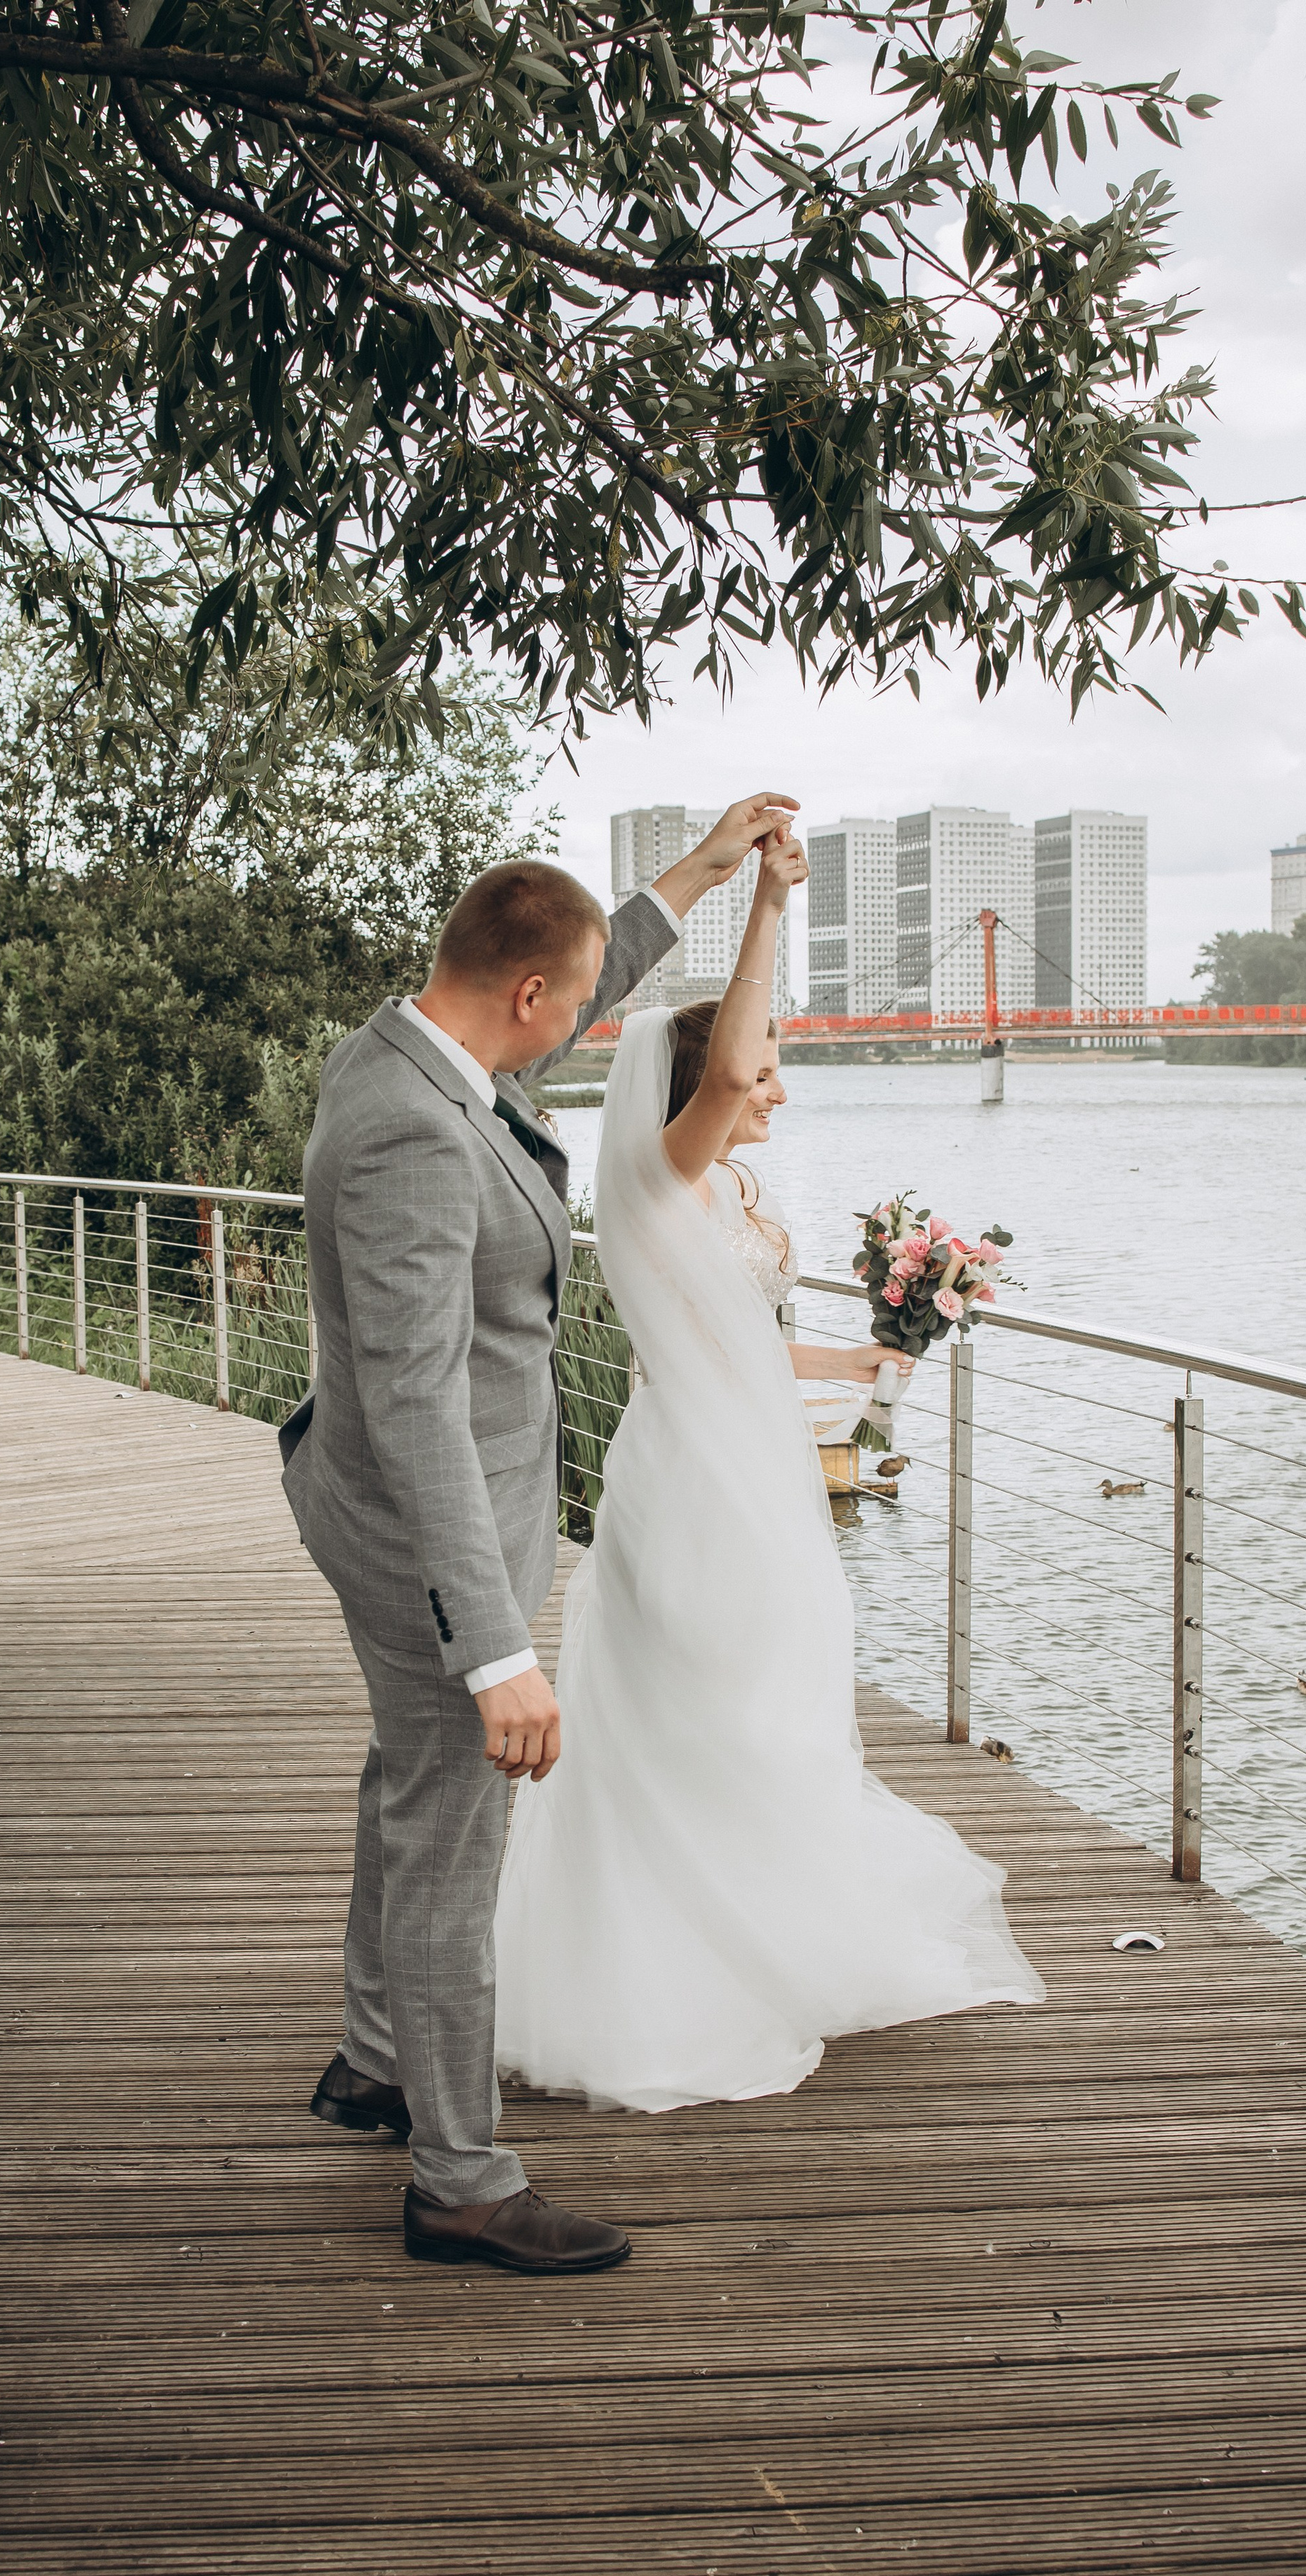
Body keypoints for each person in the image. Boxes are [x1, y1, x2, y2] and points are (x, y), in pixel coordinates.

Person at [279, 797, 802, 2275]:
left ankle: (374, 2060)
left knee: (408, 1783)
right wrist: (495, 1645)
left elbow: (586, 977)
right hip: (422, 1525)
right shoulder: (407, 1132)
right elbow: (412, 1400)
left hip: (425, 1509)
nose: (584, 1026)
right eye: (571, 1004)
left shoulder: (415, 1052)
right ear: (522, 995)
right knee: (452, 1832)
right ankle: (457, 2176)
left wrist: (701, 875)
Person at [493, 828, 1045, 2113]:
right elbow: (735, 1047)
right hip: (692, 1488)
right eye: (767, 1071)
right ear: (704, 1086)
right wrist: (766, 905)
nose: (775, 1087)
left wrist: (866, 1354)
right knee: (703, 1711)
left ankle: (761, 1934)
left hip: (765, 1479)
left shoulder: (730, 1190)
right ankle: (681, 1975)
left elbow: (741, 1332)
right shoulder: (654, 1175)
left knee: (768, 1711)